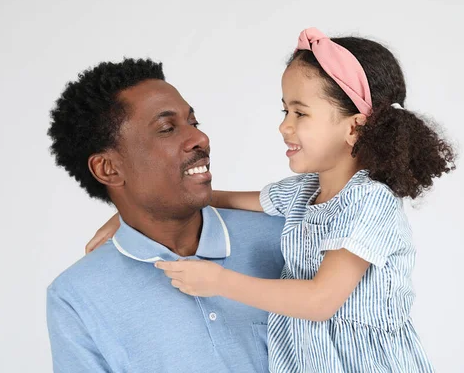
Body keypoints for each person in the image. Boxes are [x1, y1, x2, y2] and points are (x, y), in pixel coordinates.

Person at [90, 28, 456, 372]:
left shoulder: (368, 202)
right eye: (285, 111)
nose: (284, 126)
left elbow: (319, 301)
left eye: (300, 113)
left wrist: (218, 282)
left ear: (354, 127)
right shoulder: (302, 192)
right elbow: (214, 198)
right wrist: (133, 213)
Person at [46, 58, 285, 373]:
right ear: (108, 169)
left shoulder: (286, 236)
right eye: (167, 129)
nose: (200, 139)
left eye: (193, 123)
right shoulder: (76, 296)